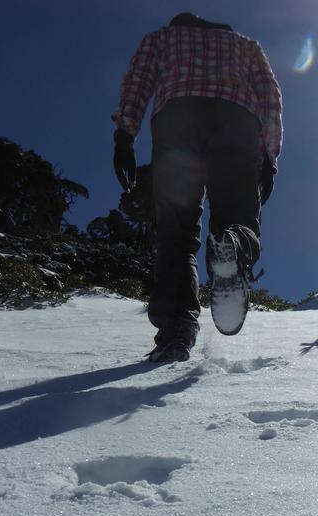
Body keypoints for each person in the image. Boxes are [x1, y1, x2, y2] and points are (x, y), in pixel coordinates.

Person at [112, 12, 283, 362]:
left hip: (178, 121)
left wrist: (124, 136)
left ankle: (176, 332)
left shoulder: (162, 38)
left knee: (176, 232)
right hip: (237, 122)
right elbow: (270, 97)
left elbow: (137, 82)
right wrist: (270, 156)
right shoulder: (246, 46)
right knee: (238, 215)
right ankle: (234, 244)